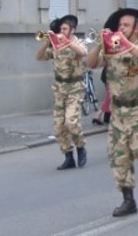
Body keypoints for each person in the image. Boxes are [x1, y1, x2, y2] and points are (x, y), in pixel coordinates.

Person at [86, 8, 138, 217]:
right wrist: (100, 45)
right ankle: (128, 200)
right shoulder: (111, 49)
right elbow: (90, 63)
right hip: (119, 111)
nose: (121, 29)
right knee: (119, 158)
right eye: (119, 25)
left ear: (136, 28)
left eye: (126, 25)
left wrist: (126, 45)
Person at [35, 15, 88, 170]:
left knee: (71, 122)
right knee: (59, 127)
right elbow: (38, 57)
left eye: (65, 29)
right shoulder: (55, 45)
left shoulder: (77, 42)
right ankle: (68, 156)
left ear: (73, 30)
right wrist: (45, 44)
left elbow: (83, 52)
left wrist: (67, 43)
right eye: (61, 29)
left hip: (74, 88)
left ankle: (80, 146)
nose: (61, 31)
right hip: (59, 89)